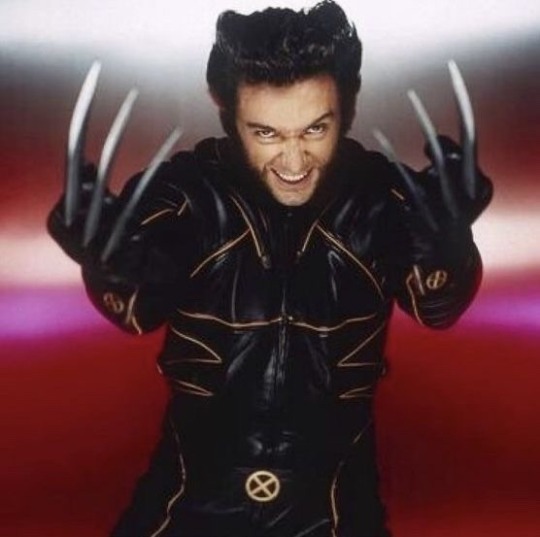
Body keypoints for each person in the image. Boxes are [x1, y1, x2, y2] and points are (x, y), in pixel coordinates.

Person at [48, 1, 492, 536]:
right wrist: (109, 269)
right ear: (226, 112)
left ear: (348, 107)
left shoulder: (380, 195)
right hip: (188, 499)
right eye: (267, 134)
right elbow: (137, 310)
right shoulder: (188, 192)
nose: (294, 162)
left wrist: (448, 250)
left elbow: (436, 308)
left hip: (334, 506)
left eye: (315, 129)